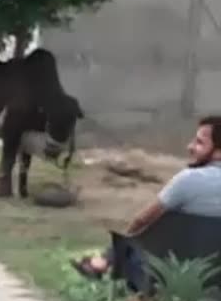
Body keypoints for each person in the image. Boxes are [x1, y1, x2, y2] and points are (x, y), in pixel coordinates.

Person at [72, 116, 221, 282]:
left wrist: (120, 246)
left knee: (133, 239)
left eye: (199, 143)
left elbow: (142, 220)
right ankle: (101, 261)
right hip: (216, 278)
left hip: (166, 276)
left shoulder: (189, 180)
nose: (189, 146)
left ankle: (101, 262)